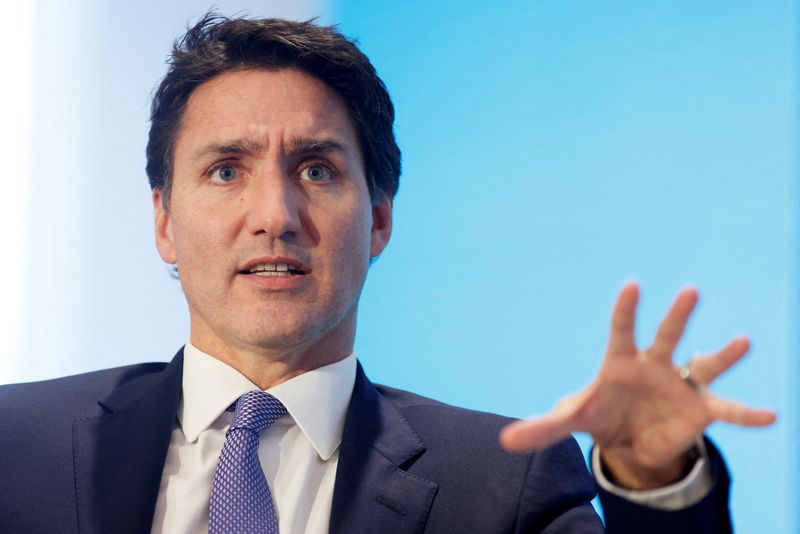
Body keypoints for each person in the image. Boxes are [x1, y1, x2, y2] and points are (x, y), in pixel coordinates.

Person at [0, 13, 775, 534]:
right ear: (164, 220)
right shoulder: (17, 445)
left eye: (316, 169)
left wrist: (652, 481)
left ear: (379, 219)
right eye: (227, 171)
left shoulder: (503, 486)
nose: (275, 213)